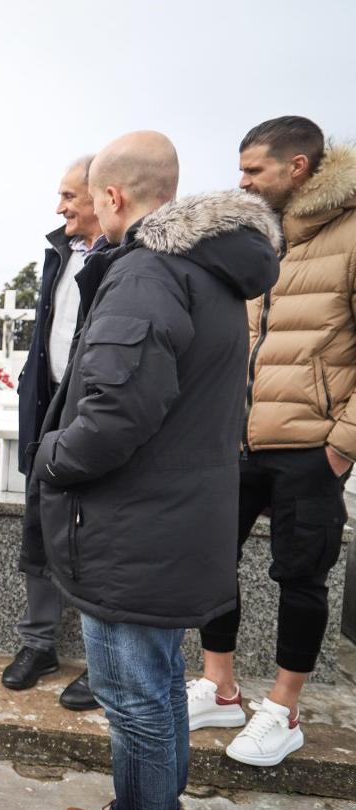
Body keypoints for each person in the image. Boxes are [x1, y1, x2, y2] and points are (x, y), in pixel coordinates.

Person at [21, 131, 279, 810]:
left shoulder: (146, 272)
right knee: (161, 688)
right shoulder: (210, 271)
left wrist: (49, 458)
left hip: (133, 529)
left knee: (134, 702)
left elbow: (114, 413)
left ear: (113, 196)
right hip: (176, 518)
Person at [191, 116, 356, 768]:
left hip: (311, 444)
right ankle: (220, 687)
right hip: (237, 439)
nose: (242, 182)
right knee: (209, 559)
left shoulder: (350, 234)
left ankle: (283, 710)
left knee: (301, 576)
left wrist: (342, 444)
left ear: (297, 168)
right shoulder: (258, 237)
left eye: (253, 170)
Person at [2, 156, 107, 711]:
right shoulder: (59, 254)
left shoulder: (124, 257)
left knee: (96, 538)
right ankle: (38, 644)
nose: (60, 206)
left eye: (70, 195)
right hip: (48, 410)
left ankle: (102, 663)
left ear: (103, 195)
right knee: (39, 530)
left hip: (96, 414)